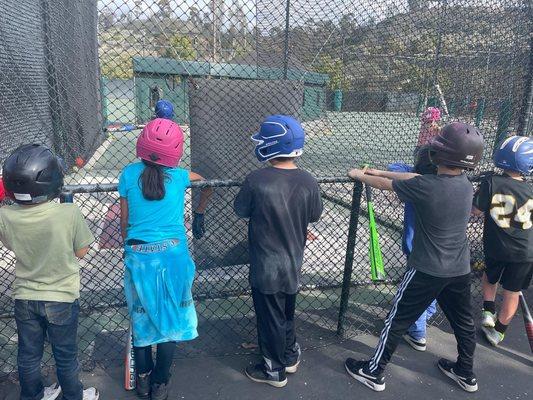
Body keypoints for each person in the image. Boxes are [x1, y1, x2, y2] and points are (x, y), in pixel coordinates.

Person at [344, 122, 484, 393]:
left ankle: (374, 371)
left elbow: (387, 185)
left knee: (397, 320)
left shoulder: (427, 187)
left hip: (426, 270)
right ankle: (465, 372)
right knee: (464, 323)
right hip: (458, 269)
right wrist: (377, 169)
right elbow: (414, 179)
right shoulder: (466, 185)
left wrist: (359, 175)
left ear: (438, 154)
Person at [119, 118, 212, 400]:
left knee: (142, 316)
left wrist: (130, 246)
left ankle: (144, 378)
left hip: (139, 255)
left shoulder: (127, 173)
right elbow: (207, 184)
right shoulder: (181, 175)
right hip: (173, 255)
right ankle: (161, 383)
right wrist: (199, 211)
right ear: (176, 151)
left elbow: (125, 222)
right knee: (172, 318)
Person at [0, 144, 99, 400]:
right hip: (61, 298)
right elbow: (81, 251)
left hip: (25, 297)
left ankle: (32, 395)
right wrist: (66, 210)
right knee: (65, 356)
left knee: (28, 355)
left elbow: (12, 243)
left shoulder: (5, 215)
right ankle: (73, 396)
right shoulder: (69, 213)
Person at [234, 115, 323, 388]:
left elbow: (241, 210)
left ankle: (274, 371)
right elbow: (315, 214)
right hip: (293, 261)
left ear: (272, 145)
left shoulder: (256, 179)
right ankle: (288, 355)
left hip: (266, 264)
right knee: (286, 311)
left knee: (270, 316)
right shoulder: (309, 180)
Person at [472, 135, 532, 346]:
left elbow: (476, 211)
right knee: (512, 292)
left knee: (490, 276)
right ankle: (499, 331)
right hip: (525, 252)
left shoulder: (491, 182)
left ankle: (488, 311)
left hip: (496, 246)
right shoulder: (531, 189)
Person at [387, 145, 438, 352]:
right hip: (439, 249)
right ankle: (426, 313)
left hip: (417, 249)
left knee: (412, 292)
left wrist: (415, 172)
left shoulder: (415, 184)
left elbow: (394, 168)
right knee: (430, 288)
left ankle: (417, 333)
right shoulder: (442, 184)